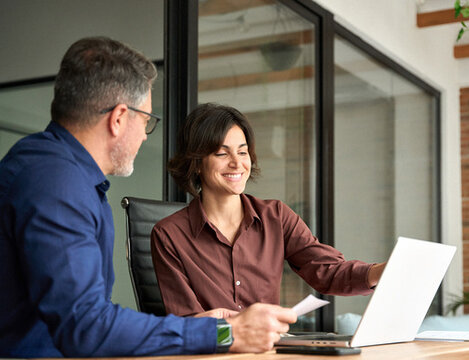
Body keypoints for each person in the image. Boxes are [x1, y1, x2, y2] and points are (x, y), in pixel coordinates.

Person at [0, 37, 295, 358]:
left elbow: (87, 315)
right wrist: (224, 332)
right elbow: (85, 327)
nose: (144, 134)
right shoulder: (57, 183)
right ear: (118, 118)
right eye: (146, 121)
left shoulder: (58, 171)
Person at [150, 103, 386, 317]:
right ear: (197, 163)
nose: (237, 163)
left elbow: (327, 271)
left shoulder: (276, 216)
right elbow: (185, 322)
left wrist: (382, 271)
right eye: (222, 153)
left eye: (242, 152)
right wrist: (234, 329)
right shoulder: (169, 235)